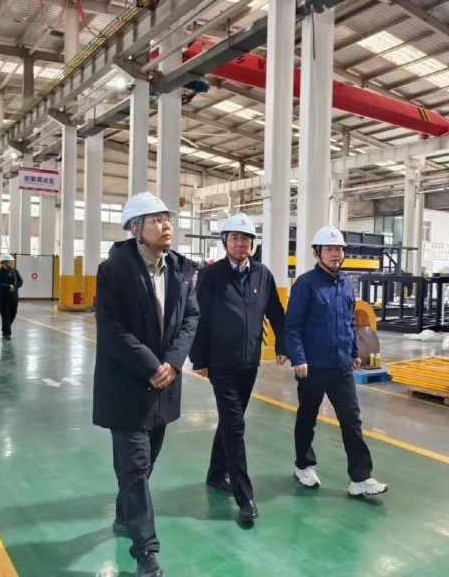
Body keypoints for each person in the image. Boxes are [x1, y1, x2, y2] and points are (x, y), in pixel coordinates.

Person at [92, 191, 199, 577]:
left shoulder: (181, 270)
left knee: (146, 462)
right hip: (127, 387)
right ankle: (146, 552)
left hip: (163, 388)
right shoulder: (113, 271)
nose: (166, 225)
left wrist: (173, 362)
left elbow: (191, 318)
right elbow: (111, 327)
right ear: (135, 229)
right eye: (156, 220)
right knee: (135, 469)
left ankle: (125, 516)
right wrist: (151, 365)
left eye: (167, 219)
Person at [190, 213, 287, 524]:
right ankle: (244, 497)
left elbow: (276, 312)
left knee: (231, 420)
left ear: (252, 244)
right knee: (235, 425)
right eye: (234, 238)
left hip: (249, 362)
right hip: (221, 363)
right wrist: (199, 358)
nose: (240, 243)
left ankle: (216, 472)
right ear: (225, 242)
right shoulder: (211, 275)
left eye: (245, 238)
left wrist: (283, 346)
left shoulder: (262, 274)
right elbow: (197, 318)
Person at [285, 226, 388, 497]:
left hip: (341, 366)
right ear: (317, 253)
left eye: (339, 249)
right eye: (330, 249)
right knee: (307, 417)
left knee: (351, 420)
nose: (336, 254)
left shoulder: (346, 283)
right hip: (313, 367)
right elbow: (292, 326)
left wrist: (354, 352)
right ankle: (304, 465)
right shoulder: (305, 284)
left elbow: (349, 321)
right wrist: (298, 358)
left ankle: (360, 478)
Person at [0, 253, 23, 341]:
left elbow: (20, 282)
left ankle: (5, 328)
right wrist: (8, 286)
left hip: (13, 297)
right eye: (10, 261)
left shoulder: (15, 271)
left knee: (13, 314)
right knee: (5, 315)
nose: (12, 263)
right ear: (4, 262)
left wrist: (14, 286)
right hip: (2, 297)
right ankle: (7, 334)